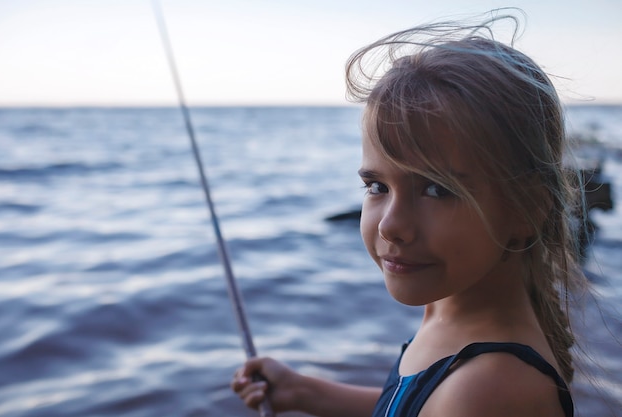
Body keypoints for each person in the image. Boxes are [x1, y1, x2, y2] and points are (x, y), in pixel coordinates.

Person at [231, 10, 586, 417]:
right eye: (377, 187)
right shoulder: (453, 313)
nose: (390, 225)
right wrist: (305, 392)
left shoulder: (489, 390)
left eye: (437, 189)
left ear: (528, 209)